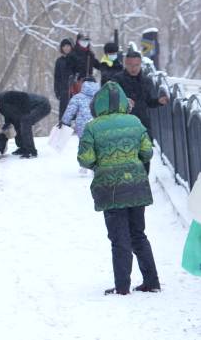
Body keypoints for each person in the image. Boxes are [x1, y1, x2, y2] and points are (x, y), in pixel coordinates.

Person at [77, 81, 160, 295]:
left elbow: (84, 158)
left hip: (110, 187)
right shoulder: (135, 121)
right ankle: (152, 282)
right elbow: (148, 153)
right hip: (136, 186)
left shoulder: (92, 127)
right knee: (138, 234)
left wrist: (99, 165)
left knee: (119, 238)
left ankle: (122, 287)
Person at [112, 51, 169, 172]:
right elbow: (110, 101)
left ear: (140, 64)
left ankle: (143, 186)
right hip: (124, 127)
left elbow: (148, 102)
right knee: (126, 163)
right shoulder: (117, 80)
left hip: (143, 126)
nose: (134, 68)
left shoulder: (146, 81)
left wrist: (159, 101)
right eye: (131, 65)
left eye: (136, 65)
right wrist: (123, 101)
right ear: (125, 64)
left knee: (144, 160)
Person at [0, 91, 51, 158]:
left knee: (25, 121)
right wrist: (7, 124)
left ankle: (31, 151)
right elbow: (11, 115)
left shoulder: (4, 98)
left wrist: (25, 111)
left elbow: (23, 96)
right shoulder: (1, 106)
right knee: (17, 121)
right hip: (32, 105)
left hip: (43, 105)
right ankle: (23, 147)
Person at [54, 38, 74, 119]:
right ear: (61, 48)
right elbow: (57, 77)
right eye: (64, 46)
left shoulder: (75, 59)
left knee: (74, 113)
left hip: (75, 90)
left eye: (68, 46)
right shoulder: (59, 61)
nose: (66, 48)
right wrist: (57, 91)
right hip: (63, 91)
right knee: (63, 115)